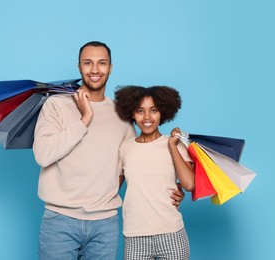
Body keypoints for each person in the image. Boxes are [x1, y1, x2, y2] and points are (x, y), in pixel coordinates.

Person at [33, 41, 185, 259]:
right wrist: (84, 119)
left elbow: (137, 163)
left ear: (110, 67)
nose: (95, 70)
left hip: (105, 225)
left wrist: (175, 189)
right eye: (88, 63)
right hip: (60, 220)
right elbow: (43, 155)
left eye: (101, 63)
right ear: (79, 67)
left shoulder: (121, 115)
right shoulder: (56, 105)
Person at [114, 85, 195, 260]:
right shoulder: (125, 148)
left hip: (172, 233)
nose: (147, 117)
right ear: (132, 114)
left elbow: (189, 184)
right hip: (135, 236)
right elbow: (111, 189)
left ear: (163, 113)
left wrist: (172, 146)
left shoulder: (174, 143)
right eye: (140, 111)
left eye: (154, 110)